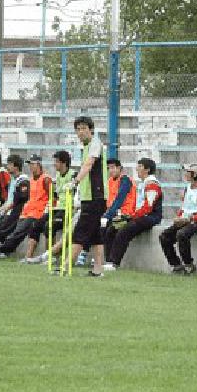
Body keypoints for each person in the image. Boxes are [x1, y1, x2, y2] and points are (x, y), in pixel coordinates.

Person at [64, 116, 107, 277]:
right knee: (95, 235)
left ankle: (66, 266)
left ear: (91, 130)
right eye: (78, 129)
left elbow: (88, 165)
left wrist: (75, 182)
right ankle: (98, 269)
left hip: (95, 197)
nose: (80, 132)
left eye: (83, 128)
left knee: (80, 232)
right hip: (89, 197)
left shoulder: (95, 144)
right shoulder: (87, 146)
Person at [103, 157, 162, 271]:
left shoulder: (152, 184)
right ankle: (109, 261)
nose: (137, 169)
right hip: (139, 215)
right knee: (112, 229)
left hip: (150, 217)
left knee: (124, 231)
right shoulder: (143, 183)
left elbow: (148, 207)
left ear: (147, 169)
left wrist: (132, 216)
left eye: (140, 166)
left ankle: (115, 263)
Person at [0, 154, 52, 258]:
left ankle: (1, 249)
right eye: (29, 164)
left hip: (37, 213)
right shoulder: (31, 180)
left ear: (39, 164)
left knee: (18, 232)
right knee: (16, 232)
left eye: (32, 164)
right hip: (27, 212)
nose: (30, 166)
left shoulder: (46, 179)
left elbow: (52, 197)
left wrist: (46, 211)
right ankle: (5, 251)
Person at [159, 163, 197, 275]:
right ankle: (176, 265)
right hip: (185, 219)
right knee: (164, 236)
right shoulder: (187, 188)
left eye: (188, 173)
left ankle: (189, 264)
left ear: (195, 175)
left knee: (181, 234)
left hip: (196, 221)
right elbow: (184, 206)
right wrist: (178, 217)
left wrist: (189, 218)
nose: (186, 175)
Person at [22, 150, 74, 264]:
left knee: (50, 226)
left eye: (56, 161)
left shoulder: (73, 175)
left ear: (63, 163)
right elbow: (55, 195)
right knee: (36, 224)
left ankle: (52, 257)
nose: (54, 164)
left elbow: (77, 194)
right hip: (57, 208)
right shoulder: (58, 176)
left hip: (68, 209)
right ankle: (29, 256)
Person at [101, 158, 137, 259]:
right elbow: (108, 201)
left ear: (119, 168)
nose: (110, 170)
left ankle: (110, 260)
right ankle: (101, 258)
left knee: (110, 231)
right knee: (98, 227)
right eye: (108, 168)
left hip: (125, 214)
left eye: (113, 168)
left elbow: (119, 200)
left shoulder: (125, 180)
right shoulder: (110, 181)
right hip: (114, 214)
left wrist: (107, 216)